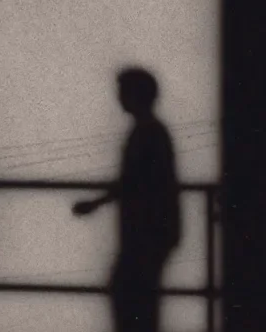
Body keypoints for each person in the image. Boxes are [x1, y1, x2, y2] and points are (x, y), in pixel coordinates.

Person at [72, 67, 181, 332]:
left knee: (130, 297)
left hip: (145, 233)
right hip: (153, 232)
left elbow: (133, 182)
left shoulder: (147, 133)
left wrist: (95, 203)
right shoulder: (151, 131)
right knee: (138, 299)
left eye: (122, 91)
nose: (118, 97)